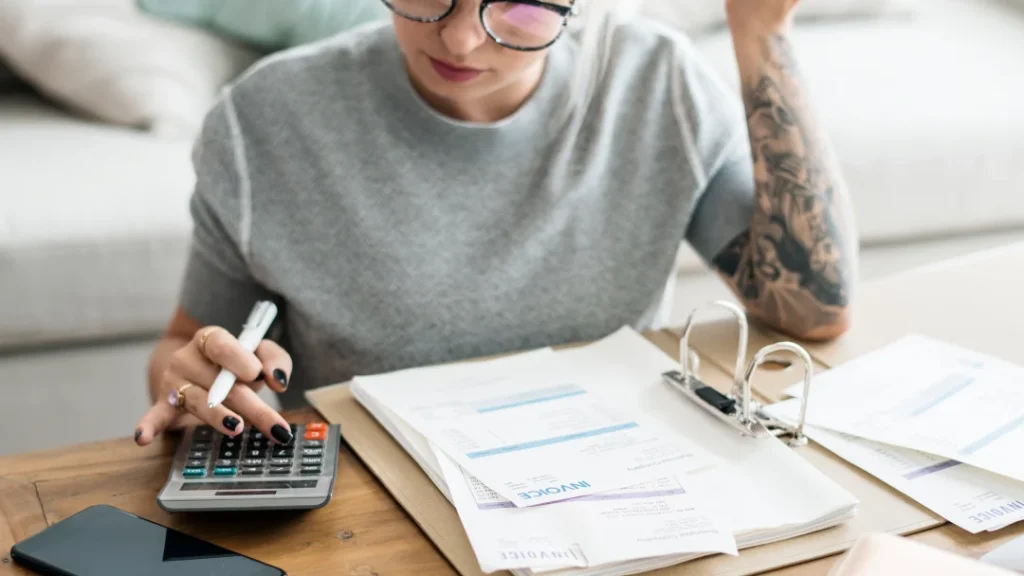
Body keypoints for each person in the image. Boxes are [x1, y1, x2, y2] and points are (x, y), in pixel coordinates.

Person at [134, 0, 858, 447]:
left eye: (518, 2)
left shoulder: (656, 87)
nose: (458, 40)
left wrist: (763, 31)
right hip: (374, 516)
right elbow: (184, 347)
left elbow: (810, 306)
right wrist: (187, 384)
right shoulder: (261, 123)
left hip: (618, 490)